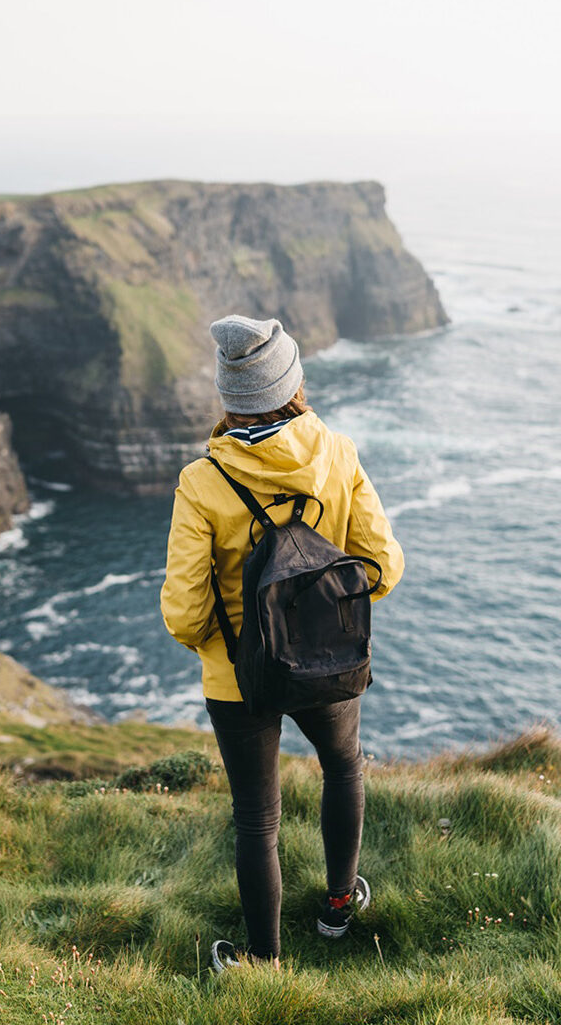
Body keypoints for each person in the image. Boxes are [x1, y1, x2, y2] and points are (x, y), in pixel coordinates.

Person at [160, 314, 405, 971]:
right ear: (293, 381)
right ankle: (337, 908)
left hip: (239, 677)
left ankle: (264, 964)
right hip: (326, 659)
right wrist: (320, 617)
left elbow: (184, 613)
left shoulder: (202, 482)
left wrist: (235, 645)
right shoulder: (337, 451)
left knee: (257, 822)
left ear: (228, 397)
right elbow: (383, 566)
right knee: (345, 764)